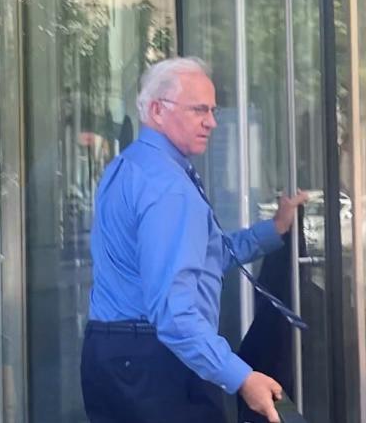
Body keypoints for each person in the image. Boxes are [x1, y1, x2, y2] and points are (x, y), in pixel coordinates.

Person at [81, 56, 308, 423]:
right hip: (155, 364)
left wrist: (274, 229)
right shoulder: (169, 188)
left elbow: (206, 256)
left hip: (114, 355)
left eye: (213, 110)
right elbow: (173, 313)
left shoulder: (129, 166)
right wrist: (242, 378)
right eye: (199, 110)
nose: (212, 122)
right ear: (157, 110)